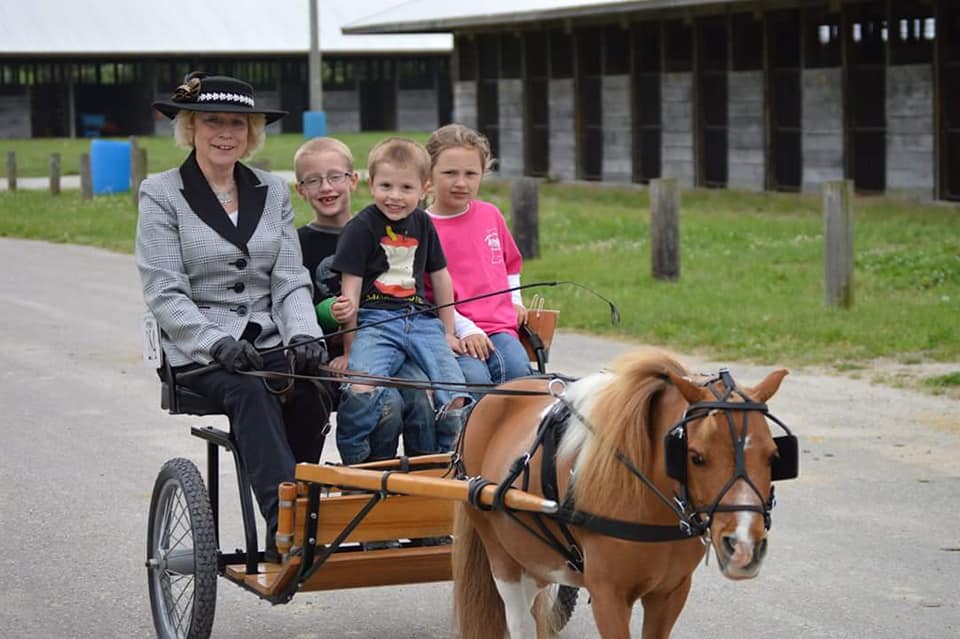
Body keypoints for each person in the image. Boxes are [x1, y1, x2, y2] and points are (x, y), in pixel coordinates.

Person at [136, 72, 329, 559]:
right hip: (199, 349)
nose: (225, 132)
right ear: (191, 128)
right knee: (251, 391)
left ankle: (299, 502)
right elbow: (163, 290)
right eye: (212, 121)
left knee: (314, 387)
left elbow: (289, 278)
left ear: (252, 132)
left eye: (237, 124)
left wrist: (305, 334)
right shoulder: (161, 193)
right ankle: (284, 526)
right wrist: (214, 342)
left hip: (264, 341)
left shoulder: (273, 190)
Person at [293, 137, 437, 458]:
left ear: (354, 181)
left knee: (419, 400)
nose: (326, 187)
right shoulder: (298, 243)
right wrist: (329, 310)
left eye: (335, 177)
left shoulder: (381, 229)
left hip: (390, 343)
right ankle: (369, 481)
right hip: (329, 354)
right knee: (387, 407)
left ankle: (420, 482)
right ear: (300, 189)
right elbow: (294, 302)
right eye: (313, 180)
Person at [331, 137, 470, 465]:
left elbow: (440, 277)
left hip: (421, 322)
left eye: (406, 188)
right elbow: (349, 295)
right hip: (375, 322)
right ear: (371, 183)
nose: (395, 196)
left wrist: (448, 331)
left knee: (455, 393)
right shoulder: (361, 227)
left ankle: (447, 462)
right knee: (361, 389)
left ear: (424, 189)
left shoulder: (423, 223)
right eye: (386, 186)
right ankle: (356, 460)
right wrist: (350, 350)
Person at [425, 124, 532, 388]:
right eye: (450, 173)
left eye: (471, 174)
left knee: (518, 373)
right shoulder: (422, 227)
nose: (461, 183)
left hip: (500, 327)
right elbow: (427, 294)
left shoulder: (490, 215)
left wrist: (515, 300)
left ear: (483, 174)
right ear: (428, 175)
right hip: (453, 328)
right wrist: (465, 329)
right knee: (474, 379)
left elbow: (511, 264)